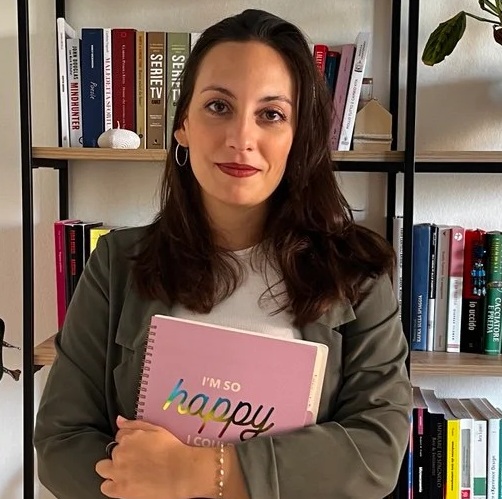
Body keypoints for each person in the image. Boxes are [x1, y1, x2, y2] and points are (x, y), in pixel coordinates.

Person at [35, 8, 411, 499]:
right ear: (183, 125)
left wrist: (199, 472)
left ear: (298, 136)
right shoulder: (116, 264)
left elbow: (377, 451)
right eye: (218, 106)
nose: (241, 139)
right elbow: (60, 444)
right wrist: (138, 478)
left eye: (271, 114)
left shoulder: (358, 274)